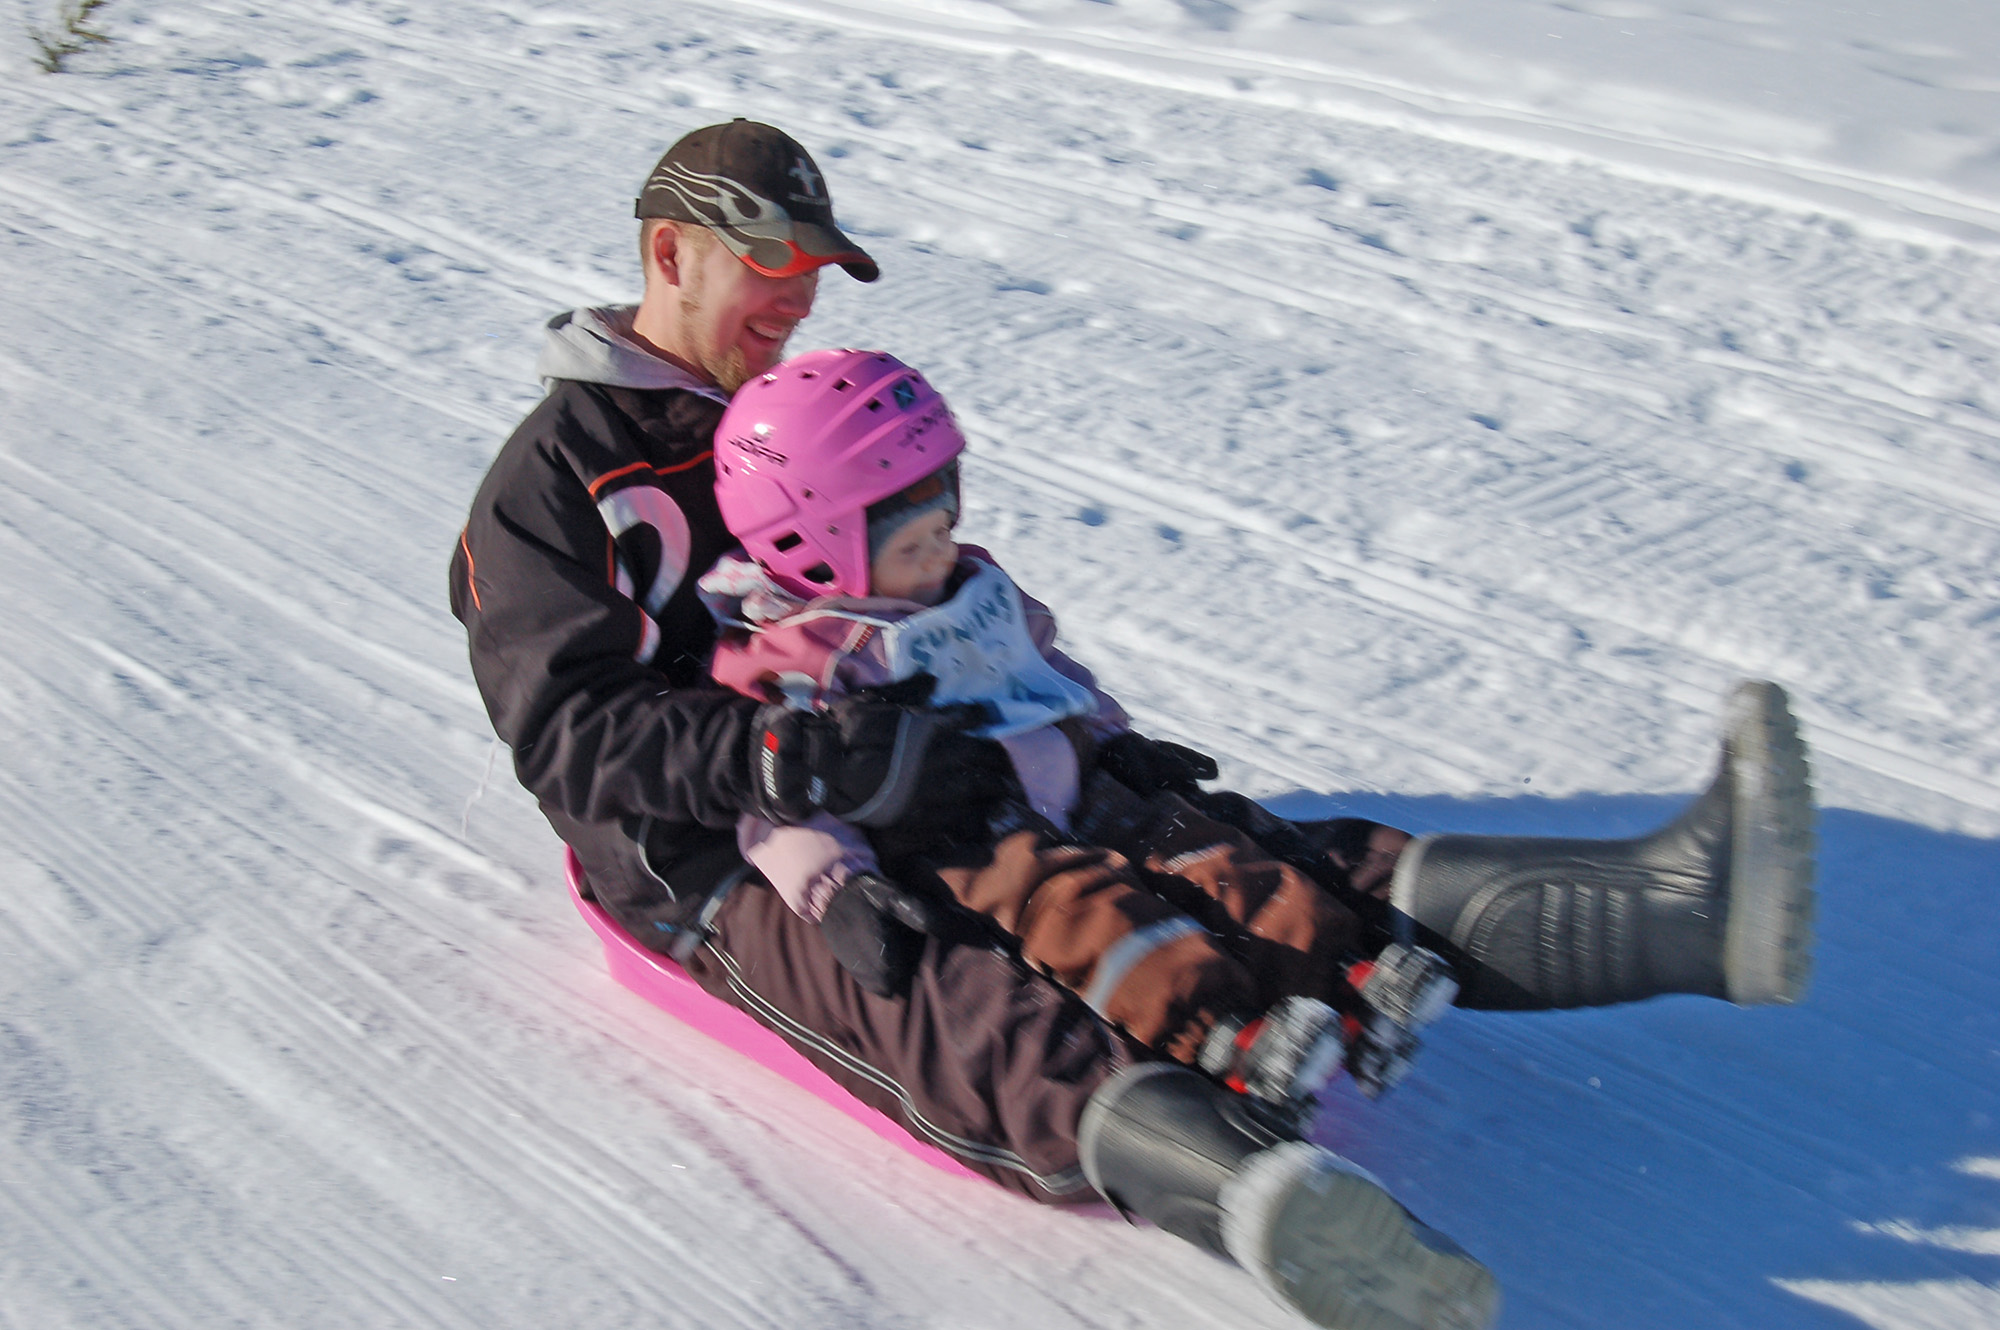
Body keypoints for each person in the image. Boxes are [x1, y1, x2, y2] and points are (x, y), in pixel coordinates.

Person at [450, 117, 1817, 1330]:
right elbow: (563, 734)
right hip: (732, 850)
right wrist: (786, 762)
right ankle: (1264, 1202)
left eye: (815, 269)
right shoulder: (555, 488)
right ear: (670, 253)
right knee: (950, 993)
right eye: (771, 264)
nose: (798, 297)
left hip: (939, 744)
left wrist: (1069, 725)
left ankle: (1681, 909)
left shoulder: (784, 403)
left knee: (1228, 845)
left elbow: (932, 578)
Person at [696, 346, 1462, 1118]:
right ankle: (1227, 1037)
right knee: (1089, 912)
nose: (940, 556)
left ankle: (1343, 976)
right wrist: (837, 889)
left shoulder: (965, 585)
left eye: (943, 525)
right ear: (816, 550)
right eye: (911, 545)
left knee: (1202, 849)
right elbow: (779, 802)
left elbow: (1040, 665)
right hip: (969, 840)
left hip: (1074, 776)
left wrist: (1113, 738)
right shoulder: (799, 657)